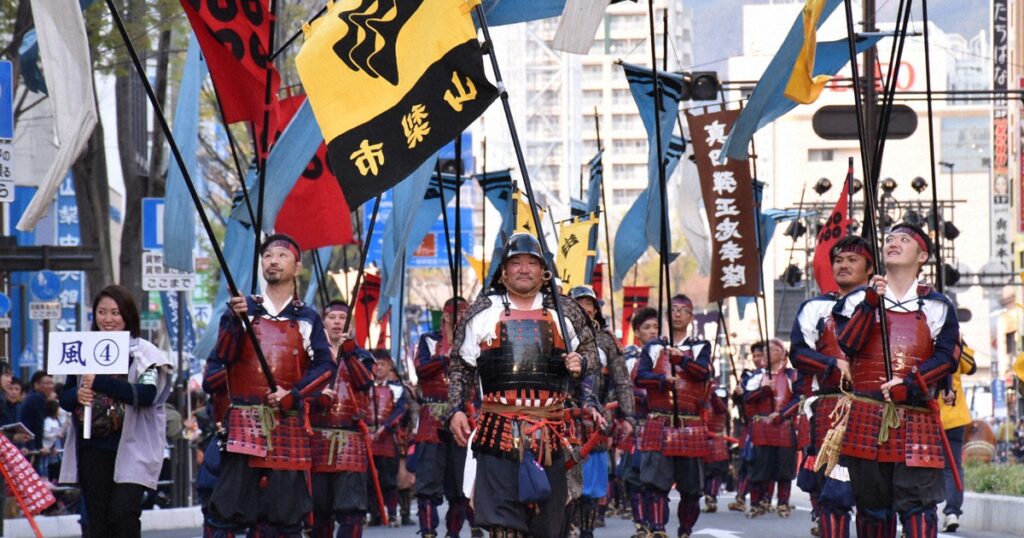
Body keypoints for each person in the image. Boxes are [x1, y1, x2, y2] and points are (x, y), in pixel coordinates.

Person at [446, 233, 602, 538]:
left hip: (551, 436)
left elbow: (593, 354)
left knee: (547, 528)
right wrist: (455, 410)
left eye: (532, 262)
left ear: (544, 270)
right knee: (503, 527)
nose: (524, 269)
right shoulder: (481, 312)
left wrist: (580, 363)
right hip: (497, 434)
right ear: (503, 270)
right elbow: (461, 366)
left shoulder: (566, 310)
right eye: (515, 262)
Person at [203, 234, 334, 537]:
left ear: (297, 267)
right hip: (243, 424)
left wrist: (295, 394)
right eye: (267, 256)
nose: (273, 261)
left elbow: (326, 366)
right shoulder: (241, 310)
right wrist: (235, 322)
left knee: (285, 518)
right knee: (225, 514)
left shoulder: (307, 317)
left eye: (281, 256)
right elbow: (222, 359)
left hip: (286, 422)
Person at [834, 222, 959, 538]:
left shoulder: (938, 305)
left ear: (922, 255)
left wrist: (912, 385)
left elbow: (947, 358)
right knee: (873, 510)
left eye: (904, 240)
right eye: (888, 239)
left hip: (916, 418)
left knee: (919, 508)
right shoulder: (854, 301)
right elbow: (849, 344)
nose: (893, 243)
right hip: (866, 417)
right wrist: (870, 304)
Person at [58, 284, 174, 537]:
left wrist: (100, 381)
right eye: (102, 312)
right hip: (92, 446)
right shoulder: (82, 348)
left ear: (127, 315)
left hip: (134, 446)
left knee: (123, 514)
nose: (108, 319)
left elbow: (146, 395)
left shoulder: (145, 353)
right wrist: (77, 395)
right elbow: (64, 397)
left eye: (115, 312)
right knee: (97, 520)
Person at [789, 234, 874, 537]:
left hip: (878, 409)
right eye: (838, 260)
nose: (843, 265)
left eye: (852, 260)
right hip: (830, 408)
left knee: (875, 499)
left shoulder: (888, 305)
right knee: (833, 495)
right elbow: (798, 353)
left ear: (869, 267)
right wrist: (832, 364)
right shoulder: (815, 308)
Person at [634, 294, 712, 538]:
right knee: (655, 485)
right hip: (660, 420)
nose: (677, 314)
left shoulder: (700, 346)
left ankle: (685, 530)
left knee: (691, 490)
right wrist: (661, 380)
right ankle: (658, 529)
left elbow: (702, 374)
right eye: (673, 310)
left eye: (683, 310)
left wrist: (682, 359)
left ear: (690, 316)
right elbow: (639, 378)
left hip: (690, 424)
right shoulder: (654, 347)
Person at [413, 296, 483, 538]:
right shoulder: (429, 340)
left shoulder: (476, 342)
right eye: (455, 316)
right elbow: (421, 369)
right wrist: (446, 355)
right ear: (444, 316)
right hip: (432, 417)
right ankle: (428, 532)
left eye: (465, 315)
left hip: (465, 418)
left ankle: (453, 533)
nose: (459, 320)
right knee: (427, 484)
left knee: (460, 486)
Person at [569, 285, 636, 536]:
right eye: (579, 305)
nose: (585, 310)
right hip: (564, 416)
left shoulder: (607, 340)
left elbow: (622, 381)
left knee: (591, 485)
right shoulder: (557, 334)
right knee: (563, 480)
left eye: (590, 305)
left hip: (596, 420)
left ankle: (587, 530)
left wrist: (628, 416)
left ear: (596, 310)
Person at [309, 300, 376, 538]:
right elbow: (301, 391)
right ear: (323, 322)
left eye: (342, 318)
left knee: (351, 511)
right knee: (319, 510)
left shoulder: (362, 355)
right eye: (332, 317)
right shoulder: (312, 354)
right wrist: (318, 396)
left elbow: (365, 382)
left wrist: (348, 353)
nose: (337, 322)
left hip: (350, 440)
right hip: (317, 438)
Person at [743, 339, 800, 519]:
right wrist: (762, 390)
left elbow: (799, 398)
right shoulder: (757, 376)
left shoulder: (792, 375)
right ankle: (756, 502)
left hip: (783, 427)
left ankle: (783, 503)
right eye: (765, 351)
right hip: (762, 428)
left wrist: (782, 414)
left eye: (771, 350)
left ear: (783, 354)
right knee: (759, 468)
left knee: (784, 469)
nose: (766, 354)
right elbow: (747, 398)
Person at [623, 307, 658, 537]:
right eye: (647, 327)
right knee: (632, 476)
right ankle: (640, 523)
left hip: (659, 424)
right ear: (637, 332)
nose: (652, 331)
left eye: (655, 326)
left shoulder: (666, 353)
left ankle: (656, 524)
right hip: (635, 423)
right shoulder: (628, 358)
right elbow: (620, 389)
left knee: (655, 478)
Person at [367, 354, 409, 527]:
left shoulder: (397, 389)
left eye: (383, 364)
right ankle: (374, 513)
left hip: (386, 438)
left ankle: (392, 513)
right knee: (369, 479)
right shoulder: (364, 387)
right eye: (376, 365)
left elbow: (399, 411)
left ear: (389, 366)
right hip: (367, 437)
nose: (379, 368)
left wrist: (384, 427)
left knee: (388, 478)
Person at [938, 338, 975, 533]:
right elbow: (971, 367)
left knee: (920, 466)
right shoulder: (955, 345)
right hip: (955, 417)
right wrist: (960, 340)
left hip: (929, 416)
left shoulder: (928, 340)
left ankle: (916, 512)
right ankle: (952, 512)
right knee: (952, 467)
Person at [702, 382, 730, 514]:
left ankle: (711, 497)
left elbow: (719, 407)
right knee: (705, 473)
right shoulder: (704, 402)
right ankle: (708, 496)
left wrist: (712, 393)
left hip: (715, 442)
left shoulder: (719, 406)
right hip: (702, 440)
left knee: (715, 473)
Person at [19, 371, 55, 457]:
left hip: (27, 442)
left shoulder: (32, 397)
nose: (50, 386)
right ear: (36, 385)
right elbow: (38, 424)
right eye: (46, 383)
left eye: (51, 383)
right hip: (30, 445)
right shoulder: (37, 398)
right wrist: (40, 447)